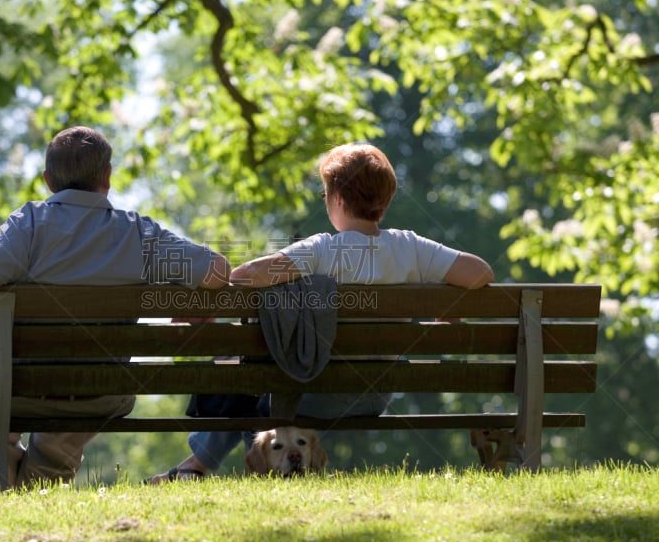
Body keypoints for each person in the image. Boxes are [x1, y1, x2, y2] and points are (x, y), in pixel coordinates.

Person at [146, 142, 493, 483]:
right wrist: (444, 313)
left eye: (325, 194)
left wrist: (208, 298)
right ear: (384, 202)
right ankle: (199, 467)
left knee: (242, 377)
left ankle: (200, 468)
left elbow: (247, 275)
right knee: (245, 379)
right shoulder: (411, 247)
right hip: (376, 393)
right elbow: (480, 272)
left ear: (338, 199)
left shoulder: (323, 249)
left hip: (318, 393)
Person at [0, 126, 231, 488]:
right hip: (100, 394)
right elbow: (219, 270)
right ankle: (43, 474)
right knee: (50, 453)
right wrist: (184, 293)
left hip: (16, 392)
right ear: (107, 175)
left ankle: (0, 473)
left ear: (48, 180)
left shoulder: (29, 225)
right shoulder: (139, 234)